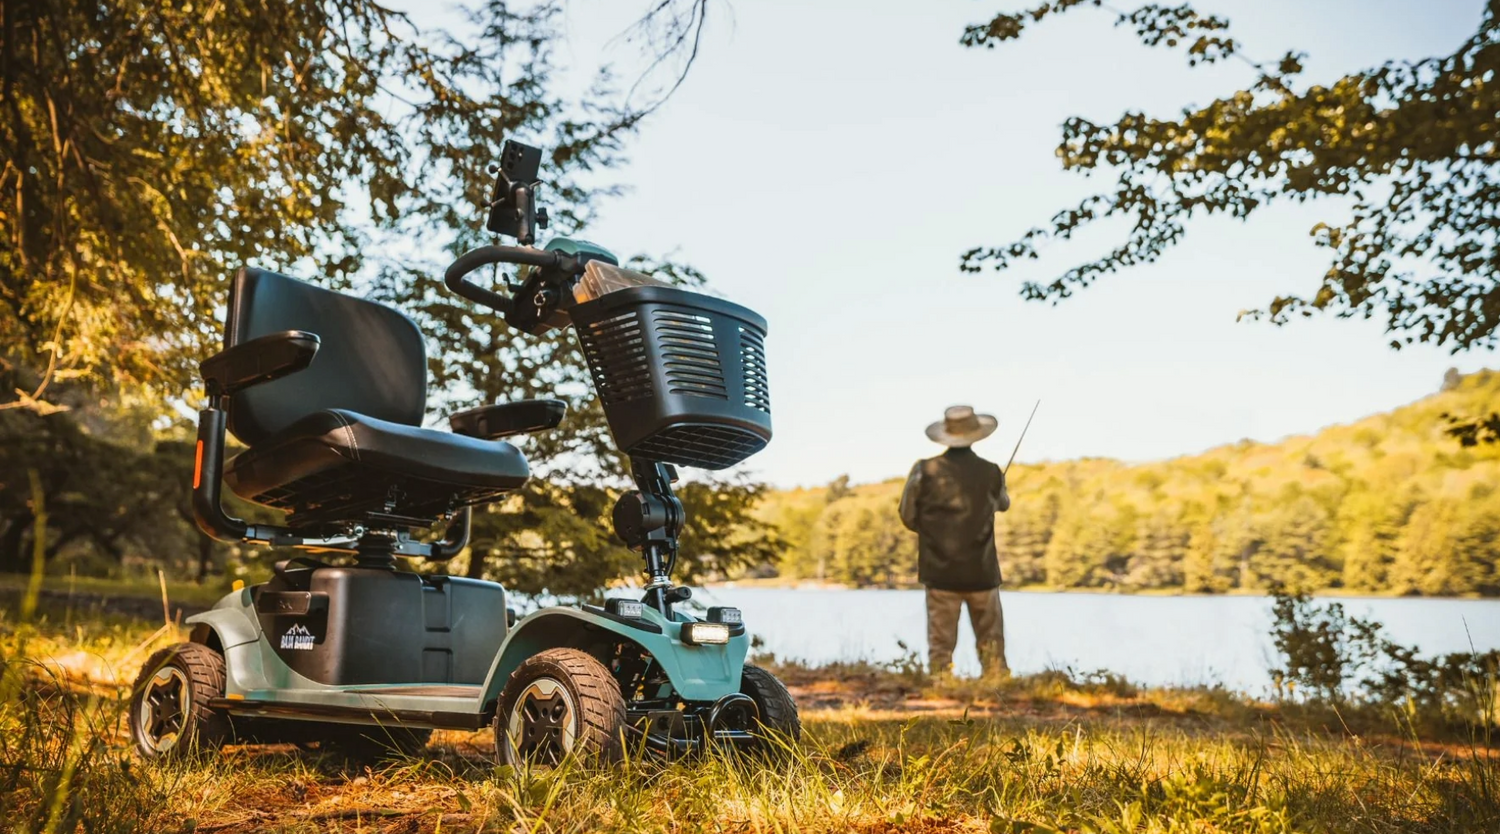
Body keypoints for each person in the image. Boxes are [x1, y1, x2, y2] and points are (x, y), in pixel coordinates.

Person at [898, 405, 1011, 677]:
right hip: (982, 571)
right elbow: (1003, 504)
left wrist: (934, 533)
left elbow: (907, 515)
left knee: (940, 647)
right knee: (992, 646)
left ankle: (941, 683)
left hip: (939, 572)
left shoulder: (924, 470)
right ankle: (997, 686)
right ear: (975, 434)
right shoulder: (992, 471)